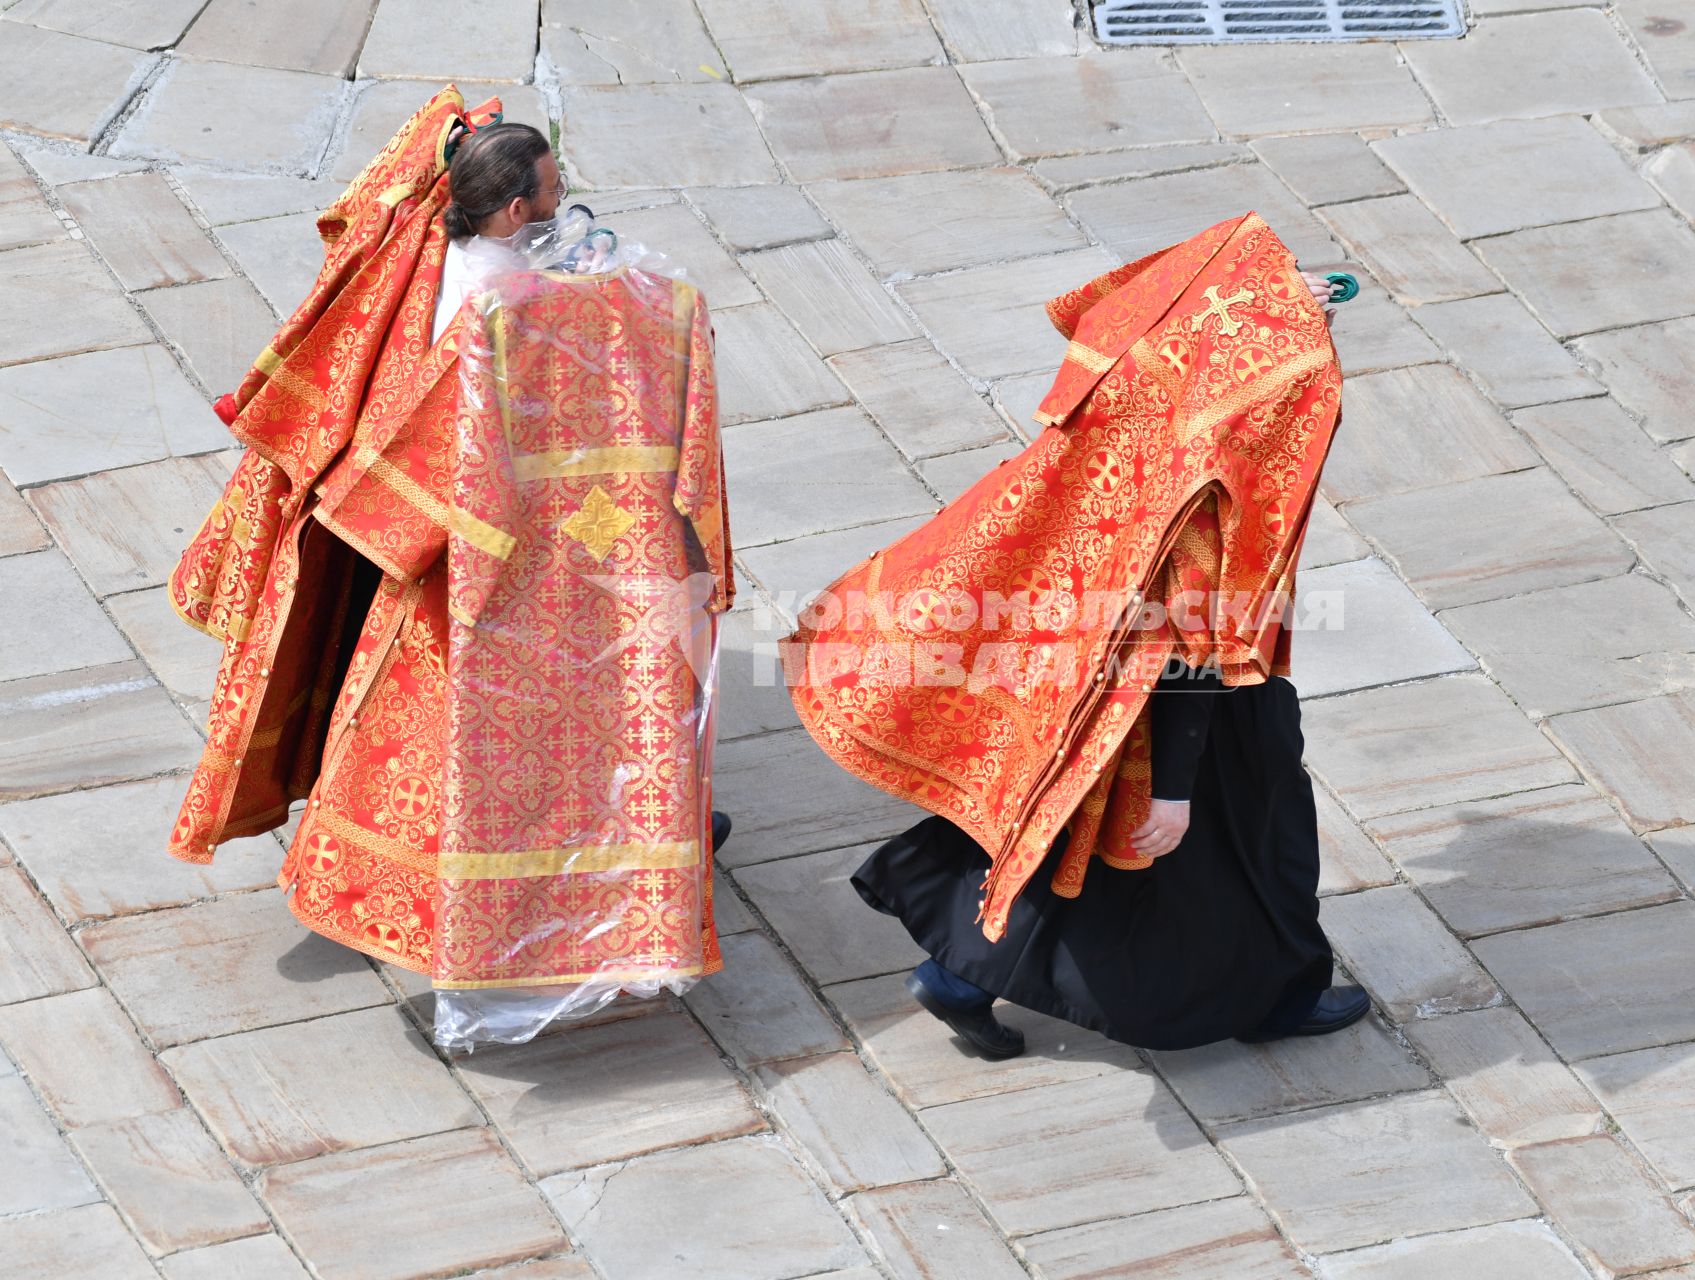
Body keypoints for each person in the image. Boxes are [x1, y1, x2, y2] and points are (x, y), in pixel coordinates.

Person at [165, 88, 731, 1043]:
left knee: (387, 734)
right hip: (488, 571)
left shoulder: (428, 257)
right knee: (488, 752)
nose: (563, 200)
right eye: (553, 189)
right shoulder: (498, 309)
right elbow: (509, 415)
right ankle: (509, 924)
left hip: (420, 544)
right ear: (516, 211)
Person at [782, 211, 1365, 1057]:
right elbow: (1190, 642)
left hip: (1075, 649)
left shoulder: (1137, 406)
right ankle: (1273, 994)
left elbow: (1204, 309)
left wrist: (1278, 298)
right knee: (1254, 835)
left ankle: (957, 971)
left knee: (1056, 814)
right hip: (1176, 695)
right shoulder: (1200, 506)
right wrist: (1173, 786)